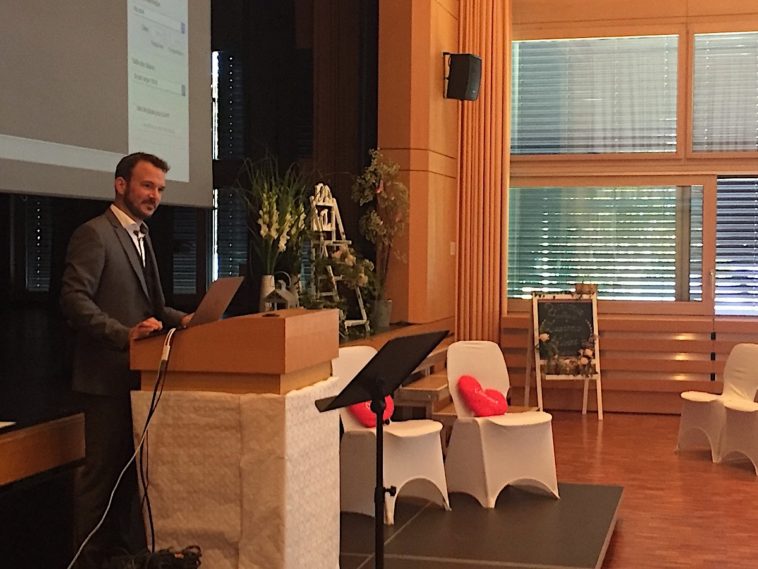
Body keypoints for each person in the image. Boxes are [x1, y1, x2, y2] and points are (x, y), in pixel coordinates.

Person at [60, 152, 192, 568]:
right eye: (147, 186)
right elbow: (73, 300)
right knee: (100, 480)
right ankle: (86, 561)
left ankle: (117, 559)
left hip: (137, 376)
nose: (155, 196)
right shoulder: (94, 234)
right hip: (103, 378)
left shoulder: (142, 236)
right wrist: (123, 336)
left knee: (126, 482)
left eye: (160, 189)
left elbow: (151, 305)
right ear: (121, 185)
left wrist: (186, 320)